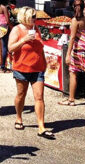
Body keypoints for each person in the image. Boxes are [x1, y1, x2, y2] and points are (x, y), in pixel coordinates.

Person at [8, 7, 54, 139]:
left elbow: (40, 47)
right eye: (33, 16)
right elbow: (11, 48)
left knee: (39, 97)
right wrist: (23, 40)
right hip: (22, 67)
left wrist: (44, 62)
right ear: (25, 17)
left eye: (35, 16)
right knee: (21, 95)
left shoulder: (36, 28)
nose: (35, 18)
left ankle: (41, 126)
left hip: (37, 67)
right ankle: (18, 117)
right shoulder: (17, 30)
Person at [59, 0, 85, 106]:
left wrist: (68, 54)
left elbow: (72, 38)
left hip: (78, 48)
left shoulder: (75, 20)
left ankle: (71, 99)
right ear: (83, 6)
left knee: (73, 73)